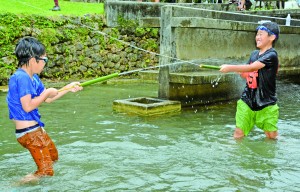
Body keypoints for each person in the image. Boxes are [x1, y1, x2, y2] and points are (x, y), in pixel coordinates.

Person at [6, 37, 82, 182]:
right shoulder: (21, 78)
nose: (45, 64)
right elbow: (27, 106)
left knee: (53, 157)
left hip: (36, 129)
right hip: (28, 133)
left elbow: (48, 98)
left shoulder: (33, 78)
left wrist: (68, 88)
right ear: (33, 60)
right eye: (44, 60)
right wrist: (47, 93)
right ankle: (12, 186)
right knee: (46, 171)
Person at [219, 22, 280, 139]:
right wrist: (240, 72)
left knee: (271, 136)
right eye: (257, 34)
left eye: (261, 34)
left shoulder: (272, 55)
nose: (257, 37)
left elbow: (252, 67)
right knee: (238, 133)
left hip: (266, 103)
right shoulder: (254, 54)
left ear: (272, 37)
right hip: (247, 100)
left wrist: (230, 67)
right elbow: (247, 73)